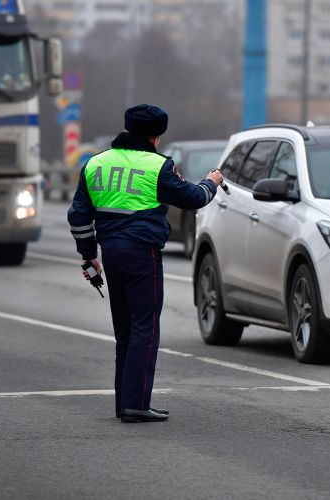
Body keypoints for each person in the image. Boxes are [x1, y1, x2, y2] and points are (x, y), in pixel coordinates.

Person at [68, 104, 223, 423]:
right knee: (145, 329)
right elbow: (193, 198)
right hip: (143, 253)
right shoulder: (159, 166)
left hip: (110, 253)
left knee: (125, 332)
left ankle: (124, 403)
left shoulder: (95, 164)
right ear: (157, 135)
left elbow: (79, 215)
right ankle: (136, 403)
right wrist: (212, 182)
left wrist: (88, 256)